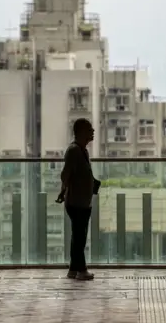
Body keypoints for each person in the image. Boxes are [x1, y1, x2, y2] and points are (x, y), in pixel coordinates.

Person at [58, 118, 99, 280]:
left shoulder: (83, 151)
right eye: (90, 129)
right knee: (79, 237)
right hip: (76, 202)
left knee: (78, 236)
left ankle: (73, 269)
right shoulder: (74, 151)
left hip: (83, 201)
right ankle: (81, 270)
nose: (93, 131)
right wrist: (63, 191)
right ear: (81, 132)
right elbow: (65, 174)